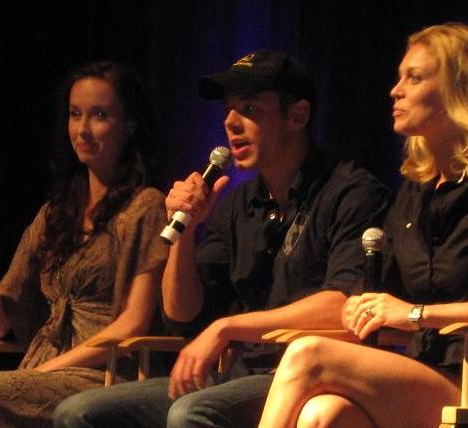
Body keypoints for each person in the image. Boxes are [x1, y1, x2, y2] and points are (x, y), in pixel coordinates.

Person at [53, 50, 389, 427]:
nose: (230, 122)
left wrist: (227, 327)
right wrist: (186, 230)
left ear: (297, 116)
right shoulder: (240, 204)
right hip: (238, 373)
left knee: (192, 412)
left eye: (248, 109)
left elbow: (345, 303)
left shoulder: (351, 192)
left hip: (305, 375)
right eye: (228, 110)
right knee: (78, 413)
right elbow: (182, 314)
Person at [257, 23, 468, 428]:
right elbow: (381, 302)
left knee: (309, 355)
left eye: (414, 78)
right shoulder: (416, 191)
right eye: (399, 78)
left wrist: (414, 314)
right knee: (324, 415)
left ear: (460, 90)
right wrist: (360, 310)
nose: (395, 90)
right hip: (434, 373)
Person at [0, 60, 169, 427]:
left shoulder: (146, 206)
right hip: (41, 374)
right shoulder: (55, 213)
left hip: (106, 375)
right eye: (74, 114)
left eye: (99, 115)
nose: (82, 129)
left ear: (129, 125)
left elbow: (134, 323)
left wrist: (51, 367)